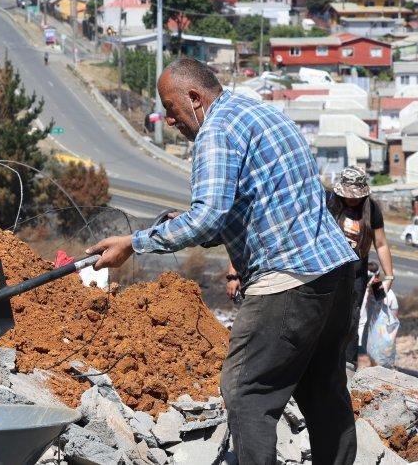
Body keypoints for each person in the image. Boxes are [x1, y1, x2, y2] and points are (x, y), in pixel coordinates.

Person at [86, 57, 358, 465]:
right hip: (335, 271)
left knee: (245, 389)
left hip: (288, 280)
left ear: (195, 97)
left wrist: (134, 243)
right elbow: (246, 210)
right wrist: (181, 225)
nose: (170, 120)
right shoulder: (262, 112)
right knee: (322, 385)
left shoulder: (217, 130)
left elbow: (208, 216)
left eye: (172, 108)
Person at [327, 167, 395, 371]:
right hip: (329, 269)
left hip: (356, 272)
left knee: (352, 315)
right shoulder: (330, 203)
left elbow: (381, 244)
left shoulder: (371, 209)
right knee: (326, 313)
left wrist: (389, 274)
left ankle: (348, 362)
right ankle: (322, 358)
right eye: (349, 196)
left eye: (356, 196)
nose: (352, 200)